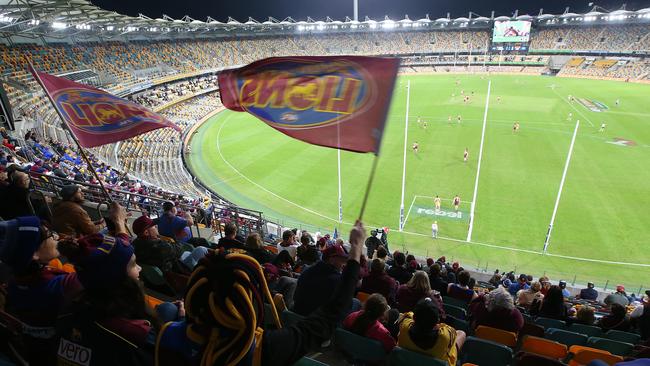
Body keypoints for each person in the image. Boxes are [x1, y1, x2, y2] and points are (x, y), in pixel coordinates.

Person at [156, 221, 367, 366]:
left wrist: (183, 317)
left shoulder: (168, 334)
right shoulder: (260, 350)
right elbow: (329, 317)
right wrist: (356, 249)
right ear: (245, 303)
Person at [293, 243, 357, 316]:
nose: (345, 264)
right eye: (342, 260)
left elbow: (295, 297)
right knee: (355, 303)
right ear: (331, 259)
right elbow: (345, 308)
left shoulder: (308, 270)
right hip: (315, 323)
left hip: (296, 316)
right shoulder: (337, 280)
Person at [397, 298, 465, 365]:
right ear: (437, 321)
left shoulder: (404, 326)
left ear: (414, 318)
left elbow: (407, 315)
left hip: (407, 361)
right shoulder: (444, 336)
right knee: (461, 333)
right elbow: (451, 330)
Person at [132, 215, 206, 274]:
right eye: (154, 226)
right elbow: (179, 250)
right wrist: (176, 236)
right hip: (178, 272)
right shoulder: (160, 247)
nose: (156, 226)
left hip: (167, 266)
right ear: (146, 233)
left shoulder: (134, 244)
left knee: (189, 252)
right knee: (200, 249)